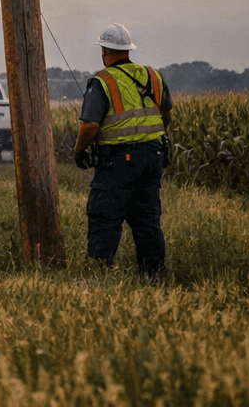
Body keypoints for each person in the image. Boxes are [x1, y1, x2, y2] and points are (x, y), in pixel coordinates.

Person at [71, 22, 173, 279]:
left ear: (105, 51)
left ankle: (98, 275)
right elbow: (166, 114)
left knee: (104, 215)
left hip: (118, 161)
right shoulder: (153, 76)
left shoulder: (103, 81)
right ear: (128, 50)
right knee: (147, 220)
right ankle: (153, 275)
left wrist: (79, 150)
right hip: (154, 156)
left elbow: (90, 125)